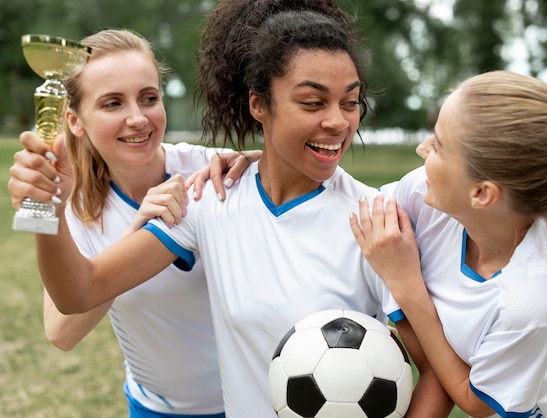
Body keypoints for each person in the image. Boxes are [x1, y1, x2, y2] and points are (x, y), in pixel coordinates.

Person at [8, 2, 452, 417]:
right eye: (313, 102)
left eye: (351, 102)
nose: (338, 121)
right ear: (258, 104)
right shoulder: (207, 198)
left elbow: (436, 368)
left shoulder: (372, 221)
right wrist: (48, 207)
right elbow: (78, 294)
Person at [350, 70, 547, 417]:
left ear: (482, 193)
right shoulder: (427, 193)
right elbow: (353, 208)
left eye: (437, 145)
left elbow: (474, 401)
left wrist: (407, 287)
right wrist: (261, 167)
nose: (422, 149)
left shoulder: (532, 300)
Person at [7, 29, 236, 418]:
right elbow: (61, 333)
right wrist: (135, 238)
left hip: (255, 401)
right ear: (75, 122)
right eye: (113, 103)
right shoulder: (78, 206)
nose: (137, 117)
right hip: (156, 410)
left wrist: (258, 160)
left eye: (149, 98)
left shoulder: (212, 170)